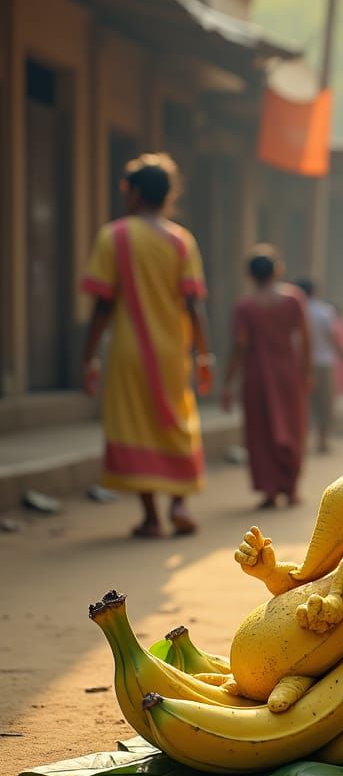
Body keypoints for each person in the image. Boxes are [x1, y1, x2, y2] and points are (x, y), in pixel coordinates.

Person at [80, 153, 212, 539]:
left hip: (128, 351)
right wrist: (204, 354)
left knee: (133, 423)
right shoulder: (182, 240)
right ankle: (180, 503)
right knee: (177, 421)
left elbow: (103, 304)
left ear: (134, 192)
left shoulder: (114, 236)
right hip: (173, 350)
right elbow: (193, 304)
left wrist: (87, 355)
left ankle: (152, 516)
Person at [221, 246, 310, 508]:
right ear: (278, 270)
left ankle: (270, 490)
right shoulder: (294, 299)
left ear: (249, 275)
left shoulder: (245, 306)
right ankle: (290, 488)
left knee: (261, 432)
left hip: (257, 375)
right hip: (288, 373)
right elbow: (305, 339)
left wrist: (227, 382)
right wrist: (307, 371)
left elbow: (240, 345)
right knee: (294, 428)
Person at [296, 279, 343, 454]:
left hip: (300, 363)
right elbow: (332, 337)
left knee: (303, 403)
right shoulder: (324, 311)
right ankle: (322, 441)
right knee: (325, 402)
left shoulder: (294, 310)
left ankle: (303, 442)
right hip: (324, 362)